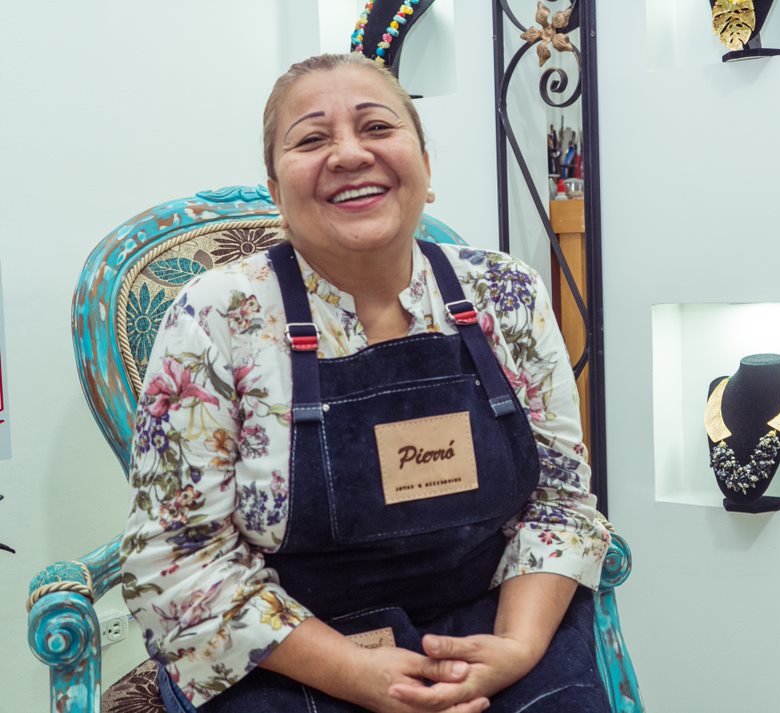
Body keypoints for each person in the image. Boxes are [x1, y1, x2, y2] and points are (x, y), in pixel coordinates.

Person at [120, 52, 612, 713]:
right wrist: (361, 675)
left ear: (425, 166)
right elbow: (177, 560)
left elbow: (559, 502)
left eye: (377, 127)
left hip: (488, 631)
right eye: (311, 139)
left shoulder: (504, 292)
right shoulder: (216, 317)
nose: (350, 154)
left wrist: (517, 647)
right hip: (289, 651)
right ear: (276, 192)